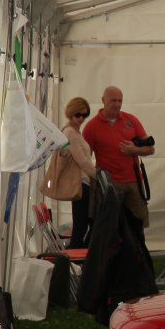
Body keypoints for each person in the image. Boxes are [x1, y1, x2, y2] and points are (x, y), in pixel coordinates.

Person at [83, 85, 155, 244]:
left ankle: (138, 255)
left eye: (120, 101)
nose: (117, 104)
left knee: (138, 225)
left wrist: (134, 149)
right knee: (111, 228)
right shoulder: (91, 127)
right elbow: (84, 158)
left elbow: (151, 149)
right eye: (113, 100)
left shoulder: (131, 120)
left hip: (134, 182)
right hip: (109, 185)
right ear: (103, 100)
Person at [61, 97, 99, 248]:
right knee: (82, 225)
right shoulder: (70, 132)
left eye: (85, 115)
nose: (81, 118)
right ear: (71, 113)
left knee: (85, 224)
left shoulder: (75, 132)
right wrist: (99, 176)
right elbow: (82, 161)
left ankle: (80, 253)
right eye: (78, 115)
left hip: (84, 182)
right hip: (81, 184)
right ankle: (78, 255)